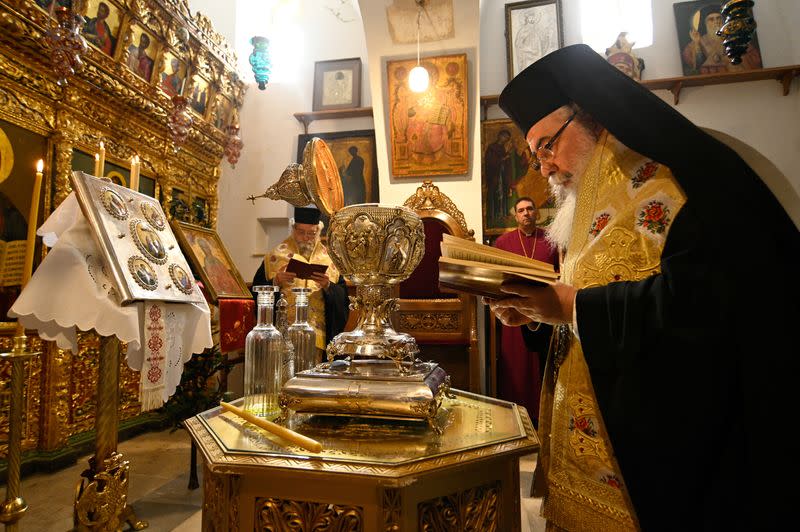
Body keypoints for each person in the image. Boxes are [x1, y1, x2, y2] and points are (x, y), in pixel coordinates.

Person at [491, 44, 798, 530]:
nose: (544, 167)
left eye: (547, 145)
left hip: (664, 468)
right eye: (536, 155)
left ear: (590, 117)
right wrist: (537, 313)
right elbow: (584, 302)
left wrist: (574, 307)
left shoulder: (679, 186)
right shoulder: (589, 203)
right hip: (588, 462)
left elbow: (705, 310)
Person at [492, 197, 558, 426]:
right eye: (521, 210)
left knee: (541, 361)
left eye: (530, 208)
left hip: (545, 312)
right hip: (513, 311)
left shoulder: (551, 240)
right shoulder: (503, 242)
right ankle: (515, 415)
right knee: (517, 362)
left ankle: (543, 414)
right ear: (515, 216)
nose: (526, 213)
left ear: (536, 213)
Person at [251, 206, 349, 359]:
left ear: (318, 231)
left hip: (317, 337)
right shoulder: (275, 257)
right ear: (293, 229)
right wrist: (276, 281)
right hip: (283, 335)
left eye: (311, 233)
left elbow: (343, 299)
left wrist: (328, 286)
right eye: (301, 232)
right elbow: (255, 293)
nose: (306, 237)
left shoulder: (330, 261)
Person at [681, 3, 761, 75]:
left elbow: (754, 59)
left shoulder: (735, 38)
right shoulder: (696, 42)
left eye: (718, 18)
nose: (716, 22)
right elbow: (696, 67)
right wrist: (697, 43)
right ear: (705, 23)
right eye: (711, 19)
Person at [484, 129, 530, 227]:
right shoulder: (492, 148)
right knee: (496, 196)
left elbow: (507, 160)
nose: (506, 140)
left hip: (502, 177)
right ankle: (495, 215)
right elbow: (490, 163)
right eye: (505, 137)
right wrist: (503, 159)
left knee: (504, 195)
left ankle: (503, 214)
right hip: (495, 178)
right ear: (500, 136)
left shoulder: (502, 148)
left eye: (508, 138)